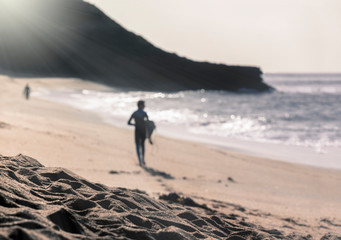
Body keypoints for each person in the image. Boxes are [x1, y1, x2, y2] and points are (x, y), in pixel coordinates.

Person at [128, 100, 150, 166]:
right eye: (143, 104)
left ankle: (139, 160)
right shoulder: (144, 113)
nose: (144, 106)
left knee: (137, 145)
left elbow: (128, 122)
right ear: (140, 105)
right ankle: (143, 159)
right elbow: (147, 122)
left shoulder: (134, 113)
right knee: (142, 145)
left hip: (137, 130)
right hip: (143, 131)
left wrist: (134, 124)